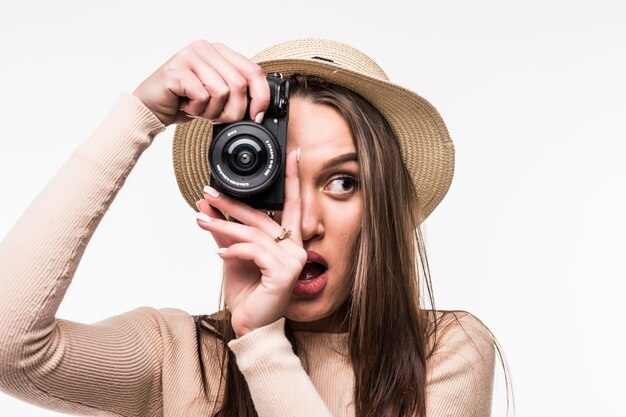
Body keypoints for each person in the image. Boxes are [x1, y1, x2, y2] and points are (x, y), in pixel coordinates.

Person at [0, 39, 498, 417]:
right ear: (238, 200)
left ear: (382, 206)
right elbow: (10, 349)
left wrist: (262, 342)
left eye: (343, 182)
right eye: (277, 184)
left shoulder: (446, 349)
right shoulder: (175, 356)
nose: (303, 223)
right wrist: (141, 114)